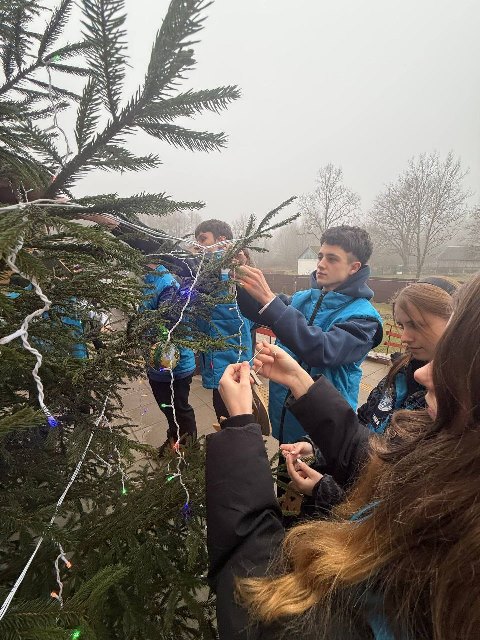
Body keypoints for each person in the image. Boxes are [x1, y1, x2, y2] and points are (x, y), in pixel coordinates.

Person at [206, 273, 480, 640]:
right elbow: (381, 464)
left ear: (356, 265)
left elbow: (262, 612)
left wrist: (241, 429)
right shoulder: (453, 469)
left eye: (453, 360)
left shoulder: (439, 561)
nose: (426, 373)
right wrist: (301, 384)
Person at [234, 225, 383, 443]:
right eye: (320, 256)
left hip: (324, 427)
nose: (321, 264)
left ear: (354, 267)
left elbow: (323, 350)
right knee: (285, 464)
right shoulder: (303, 299)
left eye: (332, 259)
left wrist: (270, 300)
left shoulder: (364, 318)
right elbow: (260, 310)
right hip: (286, 417)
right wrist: (239, 275)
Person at [358, 276, 458, 434]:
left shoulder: (454, 400)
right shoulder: (400, 371)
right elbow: (364, 417)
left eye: (416, 325)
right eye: (401, 325)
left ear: (455, 323)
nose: (404, 337)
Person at [194, 219, 254, 421]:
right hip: (215, 359)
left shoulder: (229, 273)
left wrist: (235, 263)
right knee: (223, 416)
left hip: (231, 363)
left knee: (235, 418)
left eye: (203, 239)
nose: (199, 246)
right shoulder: (207, 274)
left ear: (221, 241)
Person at [141, 264, 197, 451]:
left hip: (174, 366)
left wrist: (141, 330)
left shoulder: (166, 283)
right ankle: (174, 440)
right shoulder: (150, 280)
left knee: (179, 410)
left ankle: (190, 451)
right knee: (169, 409)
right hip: (158, 364)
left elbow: (168, 325)